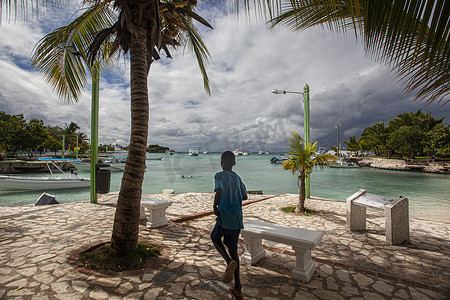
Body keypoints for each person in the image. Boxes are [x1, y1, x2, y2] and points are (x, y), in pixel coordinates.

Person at [211, 151, 247, 299]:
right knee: (233, 248)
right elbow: (244, 196)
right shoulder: (238, 178)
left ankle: (228, 261)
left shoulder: (219, 175)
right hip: (237, 216)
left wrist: (215, 207)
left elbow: (219, 191)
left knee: (215, 238)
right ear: (234, 163)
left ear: (221, 163)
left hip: (225, 214)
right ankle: (238, 288)